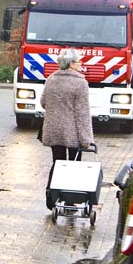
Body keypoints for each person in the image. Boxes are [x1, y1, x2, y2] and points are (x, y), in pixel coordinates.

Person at [40, 48, 93, 209]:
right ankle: (70, 200)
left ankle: (51, 198)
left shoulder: (51, 79)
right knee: (74, 165)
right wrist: (86, 138)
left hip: (53, 130)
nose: (81, 64)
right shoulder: (80, 83)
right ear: (71, 64)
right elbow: (82, 113)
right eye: (79, 61)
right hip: (73, 133)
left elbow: (43, 102)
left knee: (57, 163)